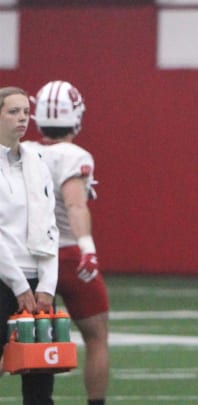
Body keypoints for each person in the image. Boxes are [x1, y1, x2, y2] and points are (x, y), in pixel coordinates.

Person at [24, 80, 109, 405]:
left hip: (28, 257)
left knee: (17, 337)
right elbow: (75, 204)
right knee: (97, 336)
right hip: (69, 254)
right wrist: (88, 249)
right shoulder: (74, 156)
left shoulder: (25, 151)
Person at [0, 86, 59, 404]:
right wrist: (19, 285)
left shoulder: (37, 161)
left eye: (25, 112)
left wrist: (47, 286)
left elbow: (49, 227)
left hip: (38, 287)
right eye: (13, 111)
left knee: (39, 384)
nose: (22, 118)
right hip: (5, 280)